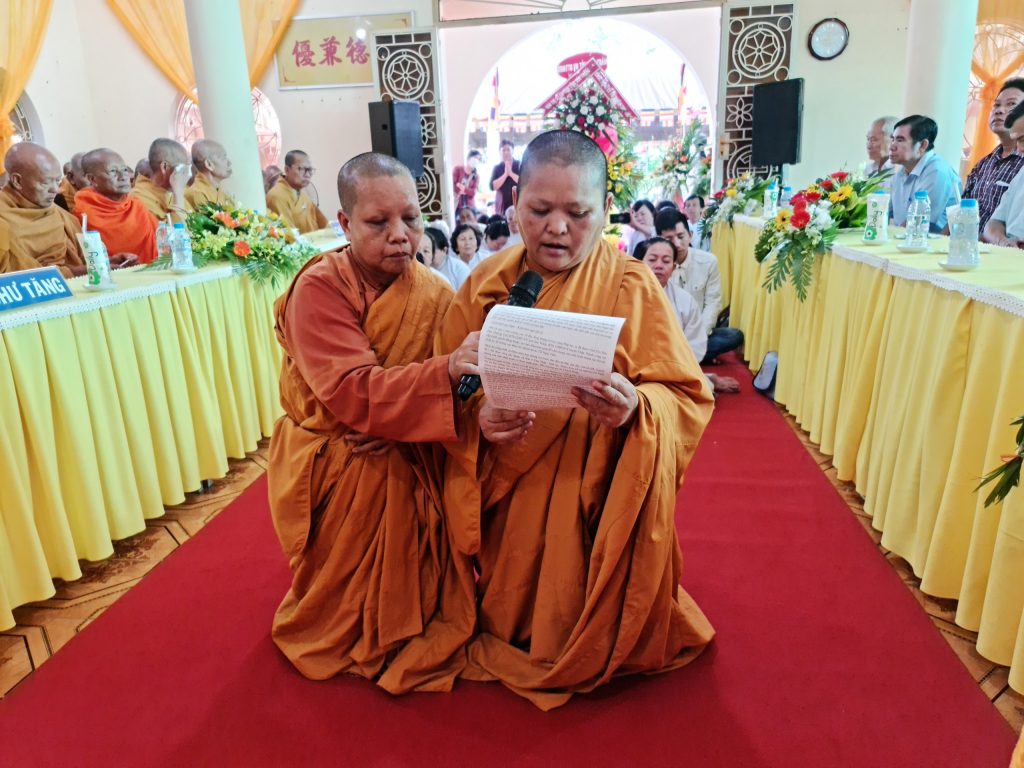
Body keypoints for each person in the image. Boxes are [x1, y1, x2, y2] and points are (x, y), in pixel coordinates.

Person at [435, 129, 715, 710]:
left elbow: (686, 395)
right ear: (515, 205)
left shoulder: (631, 284)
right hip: (508, 476)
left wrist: (636, 409)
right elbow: (450, 384)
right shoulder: (487, 283)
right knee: (511, 590)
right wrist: (479, 416)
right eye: (539, 210)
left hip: (596, 480)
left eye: (577, 213)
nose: (557, 228)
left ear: (606, 210)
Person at [268, 151, 480, 695]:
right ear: (344, 223)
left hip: (405, 449)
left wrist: (408, 420)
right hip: (344, 457)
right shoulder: (320, 289)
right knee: (335, 610)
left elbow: (461, 387)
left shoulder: (434, 291)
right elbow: (351, 392)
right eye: (377, 222)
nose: (400, 236)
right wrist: (435, 381)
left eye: (410, 218)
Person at [635, 237, 738, 395]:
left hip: (673, 367)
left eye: (666, 261)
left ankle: (701, 381)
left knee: (691, 393)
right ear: (640, 263)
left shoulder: (685, 301)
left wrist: (672, 369)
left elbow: (695, 345)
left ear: (673, 268)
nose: (659, 265)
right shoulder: (625, 295)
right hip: (633, 367)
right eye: (652, 259)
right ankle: (705, 379)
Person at [656, 207, 741, 364]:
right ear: (659, 240)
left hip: (698, 331)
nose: (677, 244)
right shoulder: (656, 265)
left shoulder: (709, 262)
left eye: (681, 236)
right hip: (666, 334)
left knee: (733, 336)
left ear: (690, 235)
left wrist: (696, 335)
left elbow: (713, 303)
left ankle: (680, 357)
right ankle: (691, 358)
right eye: (669, 239)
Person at [0, 142, 87, 277]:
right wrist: (74, 272)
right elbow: (12, 277)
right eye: (45, 183)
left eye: (57, 181)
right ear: (17, 181)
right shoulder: (3, 219)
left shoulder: (64, 217)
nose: (56, 190)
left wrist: (104, 262)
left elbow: (87, 261)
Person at [964, 79, 1024, 239]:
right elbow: (963, 210)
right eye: (996, 105)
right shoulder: (983, 164)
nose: (999, 110)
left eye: (1011, 104)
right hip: (978, 245)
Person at [75, 148, 153, 265]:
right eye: (113, 171)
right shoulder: (83, 214)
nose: (123, 177)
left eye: (125, 170)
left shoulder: (137, 206)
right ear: (92, 179)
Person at [888, 115, 962, 232]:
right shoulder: (901, 173)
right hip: (906, 238)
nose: (892, 147)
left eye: (900, 140)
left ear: (922, 145)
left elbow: (917, 222)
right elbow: (885, 212)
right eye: (893, 139)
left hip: (932, 240)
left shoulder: (937, 171)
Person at [984, 102, 1024, 248]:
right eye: (1017, 141)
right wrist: (1004, 242)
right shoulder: (1021, 174)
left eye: (1023, 140)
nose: (1019, 149)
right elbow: (993, 223)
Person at [266, 150, 328, 233]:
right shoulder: (276, 196)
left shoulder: (303, 194)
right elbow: (289, 234)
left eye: (310, 170)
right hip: (303, 241)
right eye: (302, 169)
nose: (307, 175)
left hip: (317, 240)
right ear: (287, 170)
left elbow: (324, 224)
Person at [131, 138, 191, 223]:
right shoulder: (138, 198)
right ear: (165, 167)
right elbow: (178, 230)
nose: (187, 174)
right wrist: (178, 194)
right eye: (183, 169)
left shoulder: (171, 191)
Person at [185, 139, 233, 209]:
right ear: (209, 164)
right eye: (223, 158)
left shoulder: (219, 190)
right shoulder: (197, 193)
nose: (229, 163)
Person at [424, 224, 470, 290]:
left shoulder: (459, 269)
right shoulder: (421, 266)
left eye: (432, 250)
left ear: (444, 250)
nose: (424, 255)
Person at [489, 139, 520, 214]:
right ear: (500, 152)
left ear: (513, 151)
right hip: (502, 206)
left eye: (508, 149)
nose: (506, 152)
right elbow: (492, 187)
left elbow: (524, 182)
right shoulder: (497, 168)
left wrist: (511, 173)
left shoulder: (519, 164)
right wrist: (505, 174)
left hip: (519, 204)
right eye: (503, 150)